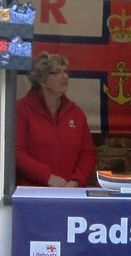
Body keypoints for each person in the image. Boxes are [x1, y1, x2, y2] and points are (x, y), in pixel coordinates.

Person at [16, 52, 97, 187]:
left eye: (66, 72)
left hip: (69, 193)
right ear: (41, 80)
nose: (64, 76)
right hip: (32, 193)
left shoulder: (76, 114)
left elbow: (88, 154)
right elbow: (16, 153)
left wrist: (77, 181)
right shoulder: (22, 110)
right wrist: (47, 177)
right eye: (57, 72)